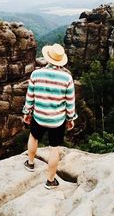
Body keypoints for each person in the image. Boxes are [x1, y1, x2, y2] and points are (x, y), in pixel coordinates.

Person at [22, 43, 78, 190]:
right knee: (54, 148)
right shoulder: (67, 78)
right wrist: (70, 119)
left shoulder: (36, 74)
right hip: (57, 120)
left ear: (48, 58)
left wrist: (27, 113)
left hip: (39, 116)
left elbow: (30, 96)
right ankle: (50, 181)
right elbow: (70, 101)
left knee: (34, 137)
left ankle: (30, 163)